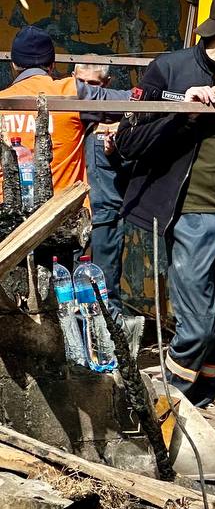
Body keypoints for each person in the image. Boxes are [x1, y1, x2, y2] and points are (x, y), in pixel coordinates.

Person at [115, 0, 215, 407]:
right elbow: (130, 142)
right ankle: (167, 406)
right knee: (197, 327)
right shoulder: (170, 70)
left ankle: (202, 404)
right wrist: (183, 114)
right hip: (191, 216)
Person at [0, 27, 132, 192]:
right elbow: (133, 100)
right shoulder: (71, 91)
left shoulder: (2, 101)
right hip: (65, 213)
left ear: (13, 65)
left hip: (8, 212)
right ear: (52, 65)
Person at [76, 63, 129, 318]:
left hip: (105, 214)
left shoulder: (118, 117)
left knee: (106, 286)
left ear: (105, 85)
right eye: (81, 81)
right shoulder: (66, 112)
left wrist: (116, 149)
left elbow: (135, 162)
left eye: (94, 84)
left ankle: (113, 345)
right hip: (71, 216)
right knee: (72, 289)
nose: (86, 89)